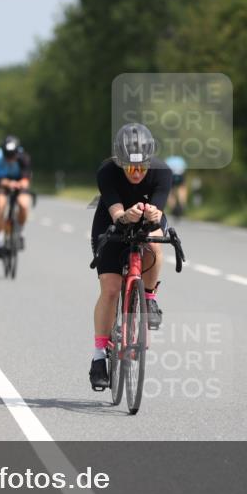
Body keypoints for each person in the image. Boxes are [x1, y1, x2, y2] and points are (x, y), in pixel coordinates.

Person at [88, 123, 172, 390]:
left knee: (155, 244)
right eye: (130, 168)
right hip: (111, 224)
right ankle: (99, 357)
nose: (136, 173)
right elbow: (116, 214)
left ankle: (149, 298)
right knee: (111, 290)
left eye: (142, 168)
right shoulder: (107, 172)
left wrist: (153, 215)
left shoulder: (162, 172)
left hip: (146, 221)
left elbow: (157, 212)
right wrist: (126, 215)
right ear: (119, 163)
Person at [0, 135, 33, 258]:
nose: (10, 159)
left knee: (24, 205)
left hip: (19, 183)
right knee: (0, 205)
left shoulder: (23, 157)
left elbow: (26, 178)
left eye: (12, 156)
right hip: (2, 183)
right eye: (7, 156)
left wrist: (20, 184)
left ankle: (20, 232)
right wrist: (8, 183)